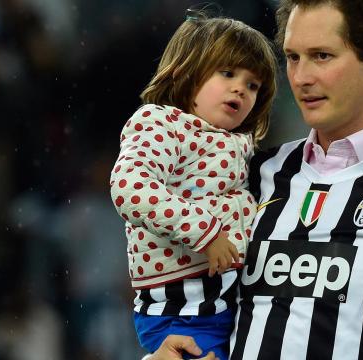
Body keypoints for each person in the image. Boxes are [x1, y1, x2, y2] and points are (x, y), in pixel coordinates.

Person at [153, 0, 363, 359]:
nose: (301, 77)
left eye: (322, 56)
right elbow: (190, 301)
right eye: (293, 57)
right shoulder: (252, 173)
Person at [109, 12, 278, 360]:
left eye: (252, 85)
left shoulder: (239, 145)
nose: (240, 89)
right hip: (182, 315)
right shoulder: (161, 123)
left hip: (226, 307)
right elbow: (130, 186)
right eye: (228, 73)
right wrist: (207, 234)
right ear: (186, 71)